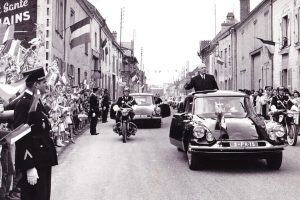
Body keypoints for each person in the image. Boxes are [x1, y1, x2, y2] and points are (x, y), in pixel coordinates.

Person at [13, 67, 58, 200]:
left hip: (42, 159)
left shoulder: (36, 101)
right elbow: (21, 135)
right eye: (43, 82)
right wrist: (29, 166)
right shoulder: (24, 103)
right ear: (35, 85)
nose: (46, 84)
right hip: (34, 160)